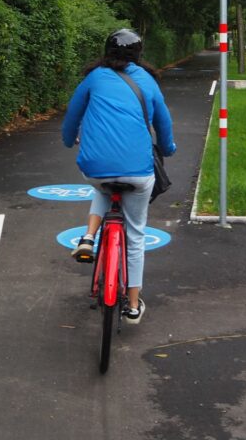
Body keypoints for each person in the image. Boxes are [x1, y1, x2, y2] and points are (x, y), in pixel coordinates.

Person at [61, 28, 176, 324]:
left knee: (101, 186)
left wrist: (68, 139)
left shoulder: (94, 78)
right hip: (138, 172)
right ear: (139, 54)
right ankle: (133, 306)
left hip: (95, 166)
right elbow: (164, 124)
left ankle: (88, 236)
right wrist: (168, 148)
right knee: (135, 236)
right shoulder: (148, 82)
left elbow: (72, 116)